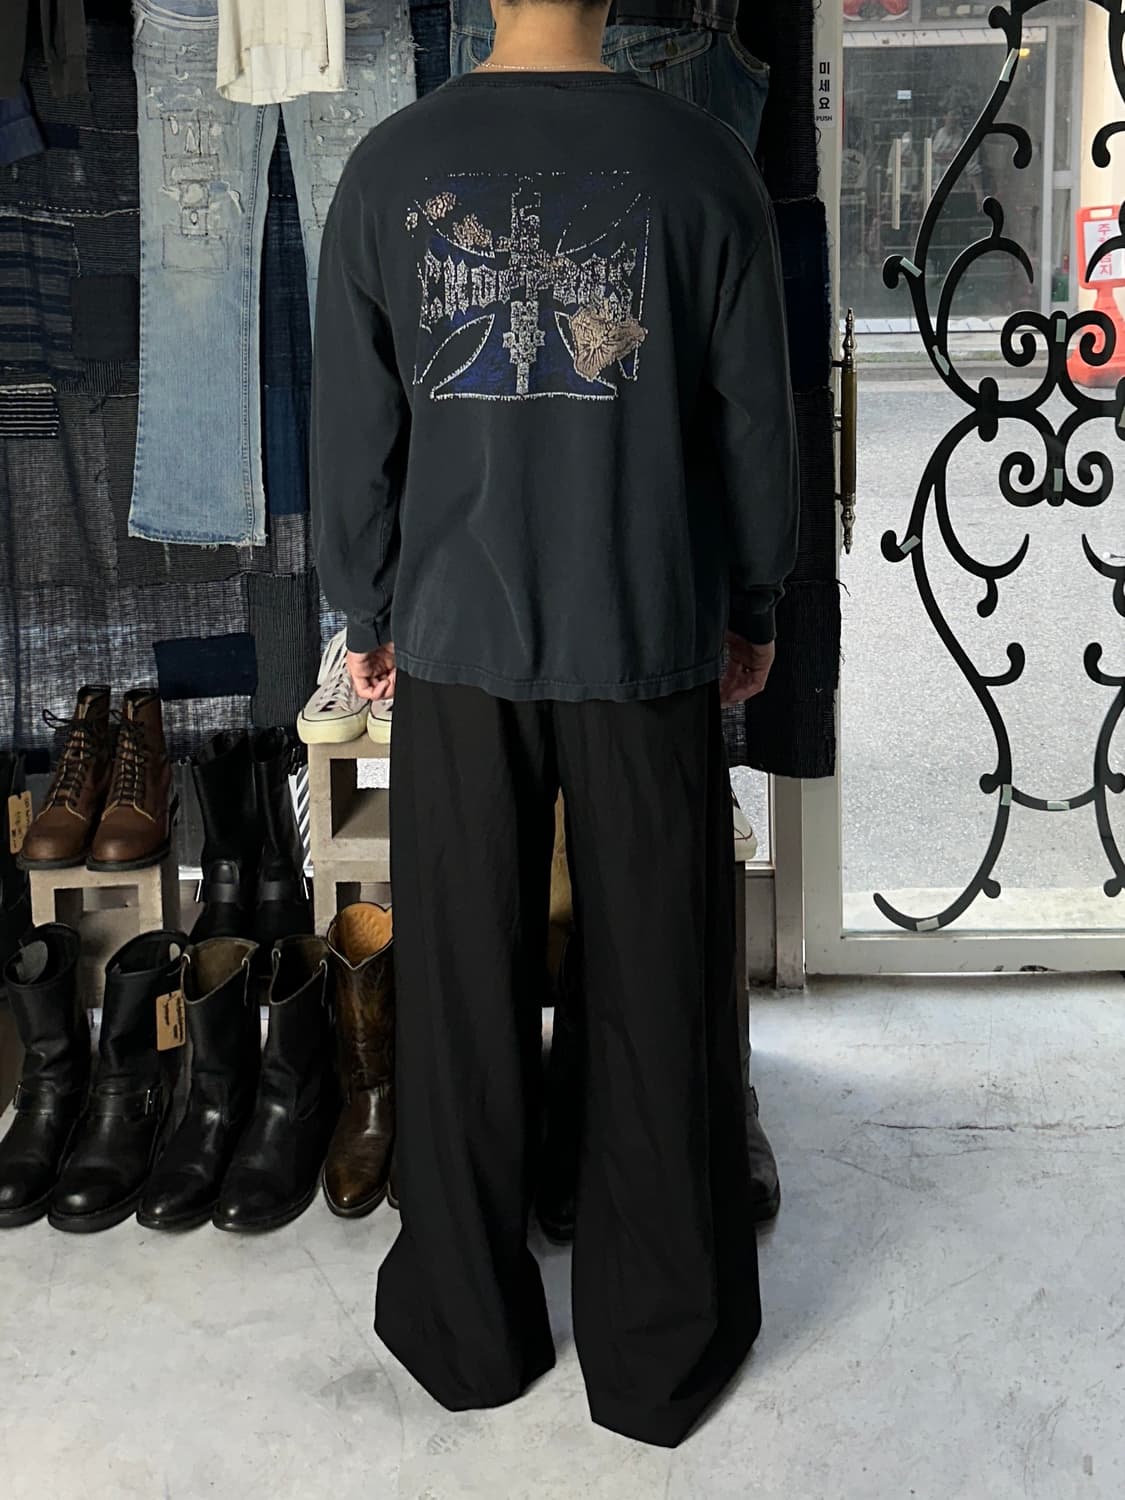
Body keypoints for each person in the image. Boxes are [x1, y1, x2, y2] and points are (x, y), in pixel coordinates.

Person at [311, 0, 799, 1448]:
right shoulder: (701, 162)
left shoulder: (390, 168)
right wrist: (754, 599)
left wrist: (364, 607)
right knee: (658, 980)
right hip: (645, 624)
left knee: (462, 976)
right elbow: (753, 420)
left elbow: (357, 424)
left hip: (455, 637)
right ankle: (660, 1344)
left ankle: (464, 1321)